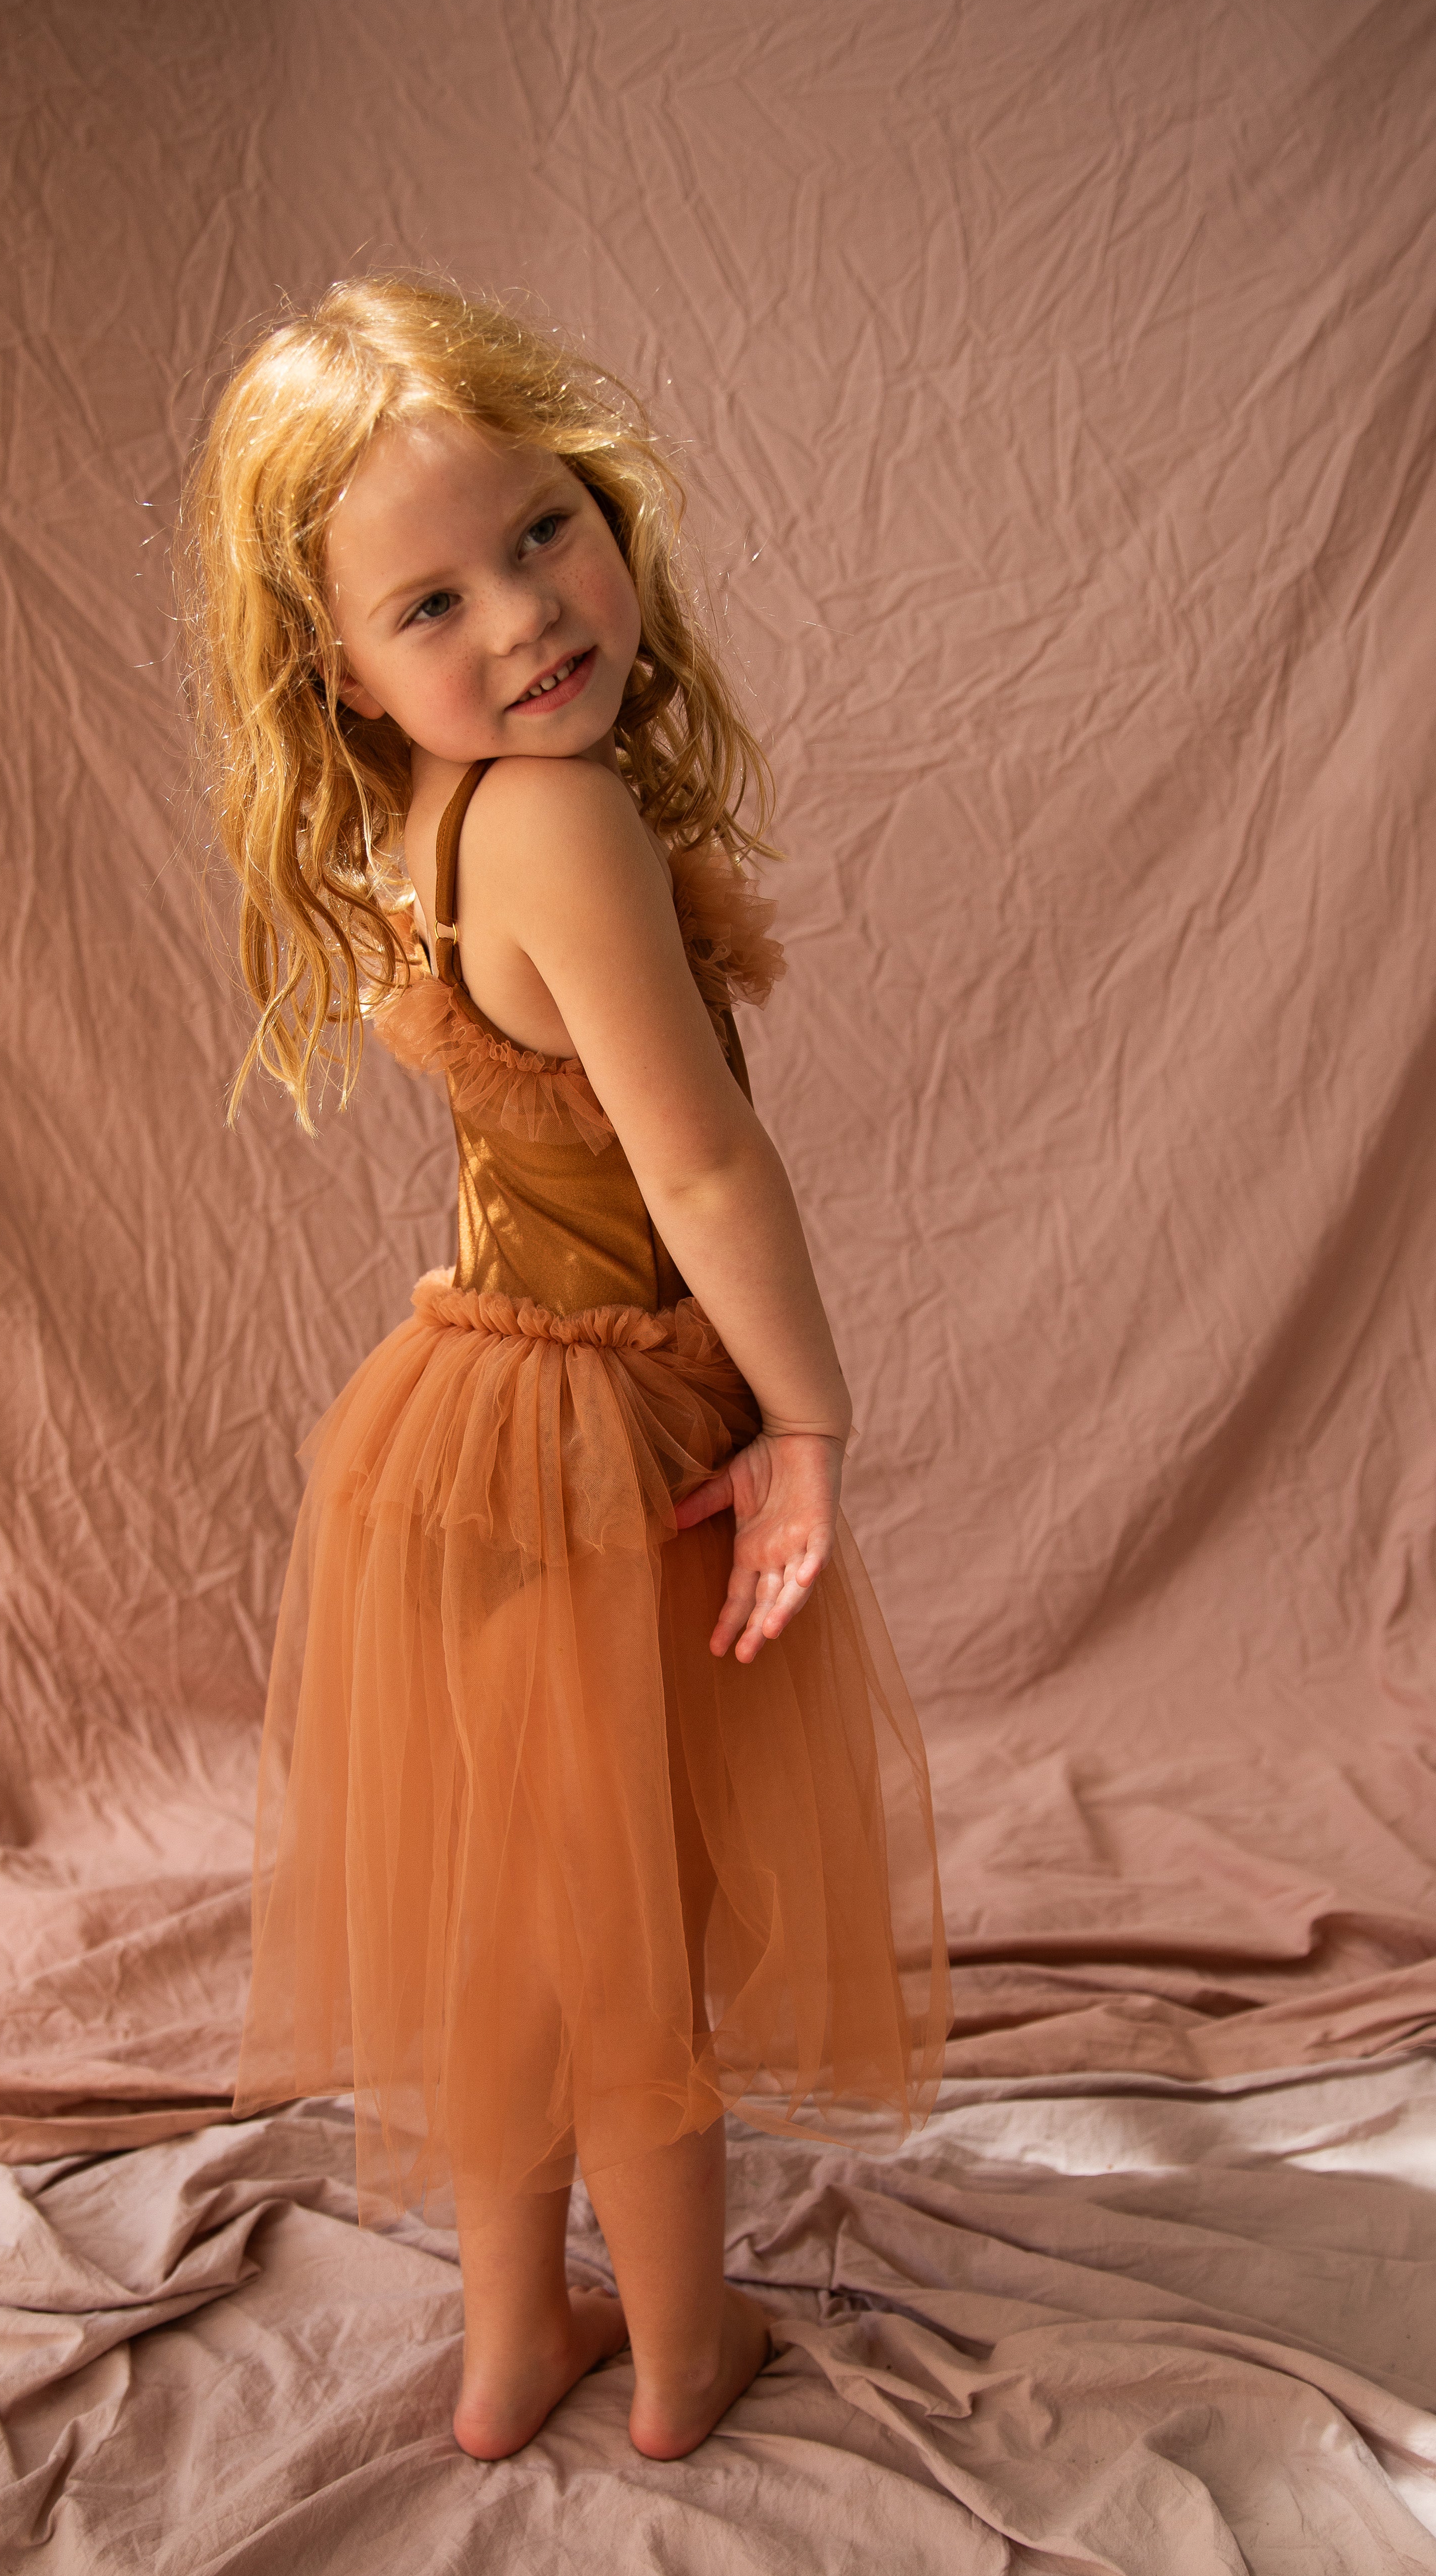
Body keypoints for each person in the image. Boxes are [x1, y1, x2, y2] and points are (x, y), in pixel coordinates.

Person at [181, 273, 947, 2463]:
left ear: (601, 504)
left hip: (464, 1417)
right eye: (432, 601)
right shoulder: (556, 816)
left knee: (517, 1922)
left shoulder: (431, 818)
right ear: (340, 666)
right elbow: (696, 1168)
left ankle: (514, 2343)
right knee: (631, 1934)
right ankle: (684, 2353)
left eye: (539, 534)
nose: (521, 621)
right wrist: (803, 1422)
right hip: (602, 1432)